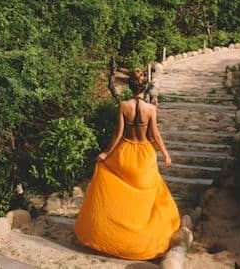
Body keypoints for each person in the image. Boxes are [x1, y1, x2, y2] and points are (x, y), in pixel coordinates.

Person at [74, 69, 180, 260]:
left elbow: (119, 134)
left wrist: (106, 153)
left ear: (130, 86)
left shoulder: (123, 105)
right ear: (144, 86)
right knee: (148, 196)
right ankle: (140, 239)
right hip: (144, 154)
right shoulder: (151, 109)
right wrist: (165, 154)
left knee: (111, 180)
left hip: (125, 152)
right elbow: (154, 135)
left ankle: (110, 232)